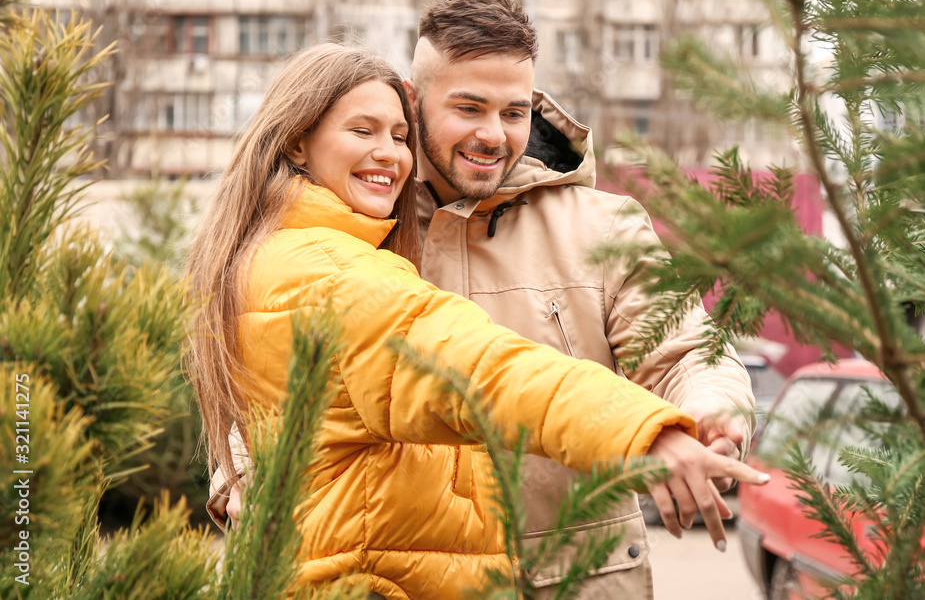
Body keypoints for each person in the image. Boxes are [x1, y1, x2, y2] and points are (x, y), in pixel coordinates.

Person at [187, 43, 767, 599]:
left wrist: (708, 411)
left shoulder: (600, 227)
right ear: (418, 101)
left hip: (577, 573)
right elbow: (468, 369)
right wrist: (242, 477)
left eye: (514, 111)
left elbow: (688, 350)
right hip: (401, 577)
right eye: (468, 108)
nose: (493, 134)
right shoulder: (367, 230)